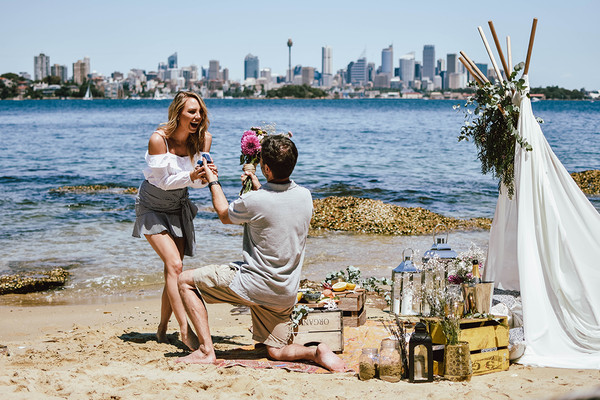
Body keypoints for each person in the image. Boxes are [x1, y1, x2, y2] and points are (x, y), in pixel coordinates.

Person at [177, 135, 345, 372]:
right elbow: (276, 212)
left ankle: (205, 350)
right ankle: (315, 352)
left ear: (266, 167)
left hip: (255, 285)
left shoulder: (255, 200)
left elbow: (225, 215)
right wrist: (258, 185)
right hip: (284, 292)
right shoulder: (305, 196)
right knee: (276, 351)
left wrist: (214, 181)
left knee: (185, 281)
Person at [132, 91, 216, 350]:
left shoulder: (203, 139)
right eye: (191, 111)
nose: (197, 116)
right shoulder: (159, 140)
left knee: (174, 271)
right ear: (177, 113)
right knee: (175, 265)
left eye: (200, 111)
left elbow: (199, 184)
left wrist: (204, 176)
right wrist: (193, 175)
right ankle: (184, 330)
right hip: (152, 205)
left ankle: (161, 328)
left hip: (178, 206)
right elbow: (163, 182)